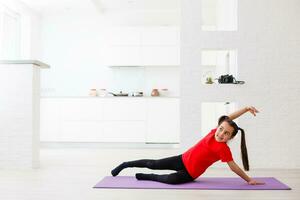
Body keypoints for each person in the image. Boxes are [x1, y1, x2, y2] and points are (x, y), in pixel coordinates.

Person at [111, 106, 265, 185]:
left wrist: (248, 179)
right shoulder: (213, 132)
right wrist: (245, 109)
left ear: (230, 137)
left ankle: (146, 177)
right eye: (221, 129)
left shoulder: (223, 149)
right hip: (182, 159)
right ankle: (125, 164)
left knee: (169, 180)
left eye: (226, 134)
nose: (221, 134)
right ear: (218, 127)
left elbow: (234, 167)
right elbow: (228, 118)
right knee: (153, 163)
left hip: (190, 173)